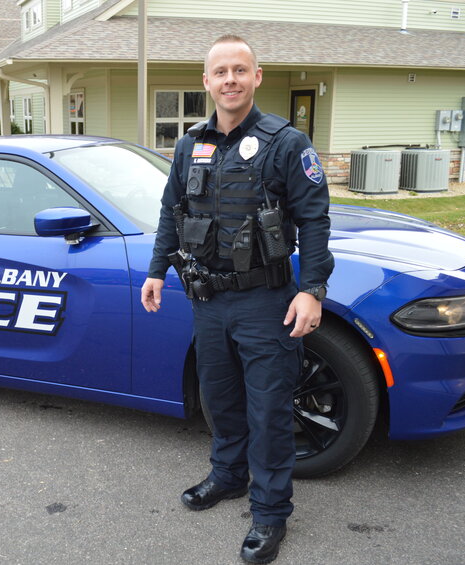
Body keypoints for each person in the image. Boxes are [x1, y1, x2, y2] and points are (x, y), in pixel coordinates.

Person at [141, 35, 334, 564]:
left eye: (239, 70)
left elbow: (315, 221)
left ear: (257, 77)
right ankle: (227, 476)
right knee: (219, 398)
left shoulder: (288, 144)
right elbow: (170, 212)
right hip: (207, 298)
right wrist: (157, 270)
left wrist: (312, 290)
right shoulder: (189, 145)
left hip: (264, 300)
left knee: (269, 409)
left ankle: (270, 513)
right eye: (220, 71)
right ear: (206, 81)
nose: (230, 80)